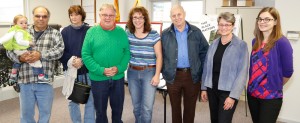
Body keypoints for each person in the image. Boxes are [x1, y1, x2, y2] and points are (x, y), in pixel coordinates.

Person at [6, 6, 64, 123]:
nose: (41, 18)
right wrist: (19, 57)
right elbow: (9, 50)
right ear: (33, 17)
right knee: (26, 115)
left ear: (48, 18)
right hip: (25, 80)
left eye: (44, 16)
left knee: (45, 114)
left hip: (45, 81)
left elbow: (59, 51)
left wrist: (40, 55)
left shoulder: (55, 33)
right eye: (38, 16)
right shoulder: (22, 31)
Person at [81, 4, 130, 123]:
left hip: (117, 78)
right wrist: (101, 70)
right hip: (98, 78)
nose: (108, 18)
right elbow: (86, 54)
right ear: (100, 16)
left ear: (115, 17)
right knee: (100, 111)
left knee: (118, 109)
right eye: (104, 15)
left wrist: (119, 68)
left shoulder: (121, 32)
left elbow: (127, 53)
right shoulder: (91, 32)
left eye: (111, 15)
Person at [161, 4, 209, 123]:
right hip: (173, 77)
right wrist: (164, 71)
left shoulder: (196, 32)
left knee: (190, 108)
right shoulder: (165, 34)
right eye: (173, 16)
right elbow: (160, 55)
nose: (177, 18)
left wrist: (201, 72)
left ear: (184, 14)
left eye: (179, 14)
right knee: (175, 108)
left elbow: (205, 53)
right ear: (170, 17)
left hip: (192, 76)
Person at [247, 7, 293, 123]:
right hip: (252, 93)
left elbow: (288, 72)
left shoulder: (282, 42)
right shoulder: (255, 41)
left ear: (275, 21)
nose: (262, 22)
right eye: (260, 19)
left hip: (271, 97)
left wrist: (274, 83)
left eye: (267, 19)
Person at [200, 12, 249, 123]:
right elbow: (207, 67)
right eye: (221, 24)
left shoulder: (241, 45)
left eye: (227, 25)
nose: (224, 27)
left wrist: (233, 96)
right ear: (218, 25)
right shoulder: (213, 44)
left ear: (233, 26)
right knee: (214, 120)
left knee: (224, 120)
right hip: (212, 89)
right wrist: (203, 88)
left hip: (228, 92)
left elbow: (242, 73)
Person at [126, 6, 162, 123]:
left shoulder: (153, 34)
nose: (138, 20)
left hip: (149, 73)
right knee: (136, 107)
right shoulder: (128, 34)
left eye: (141, 17)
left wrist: (157, 75)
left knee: (147, 108)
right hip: (132, 73)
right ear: (131, 19)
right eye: (135, 17)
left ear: (145, 19)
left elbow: (159, 56)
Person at [60, 5, 95, 123]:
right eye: (71, 15)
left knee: (90, 100)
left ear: (82, 15)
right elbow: (61, 52)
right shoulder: (65, 31)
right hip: (70, 71)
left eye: (77, 14)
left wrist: (82, 60)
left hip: (87, 71)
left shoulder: (90, 30)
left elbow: (93, 50)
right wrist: (72, 60)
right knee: (72, 101)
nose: (74, 17)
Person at [0, 14, 48, 85]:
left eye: (25, 23)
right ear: (15, 24)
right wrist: (29, 43)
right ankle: (41, 76)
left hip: (19, 50)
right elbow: (20, 41)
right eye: (21, 23)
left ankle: (13, 75)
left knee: (17, 62)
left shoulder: (19, 31)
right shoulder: (19, 32)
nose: (24, 25)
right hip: (20, 49)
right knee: (36, 62)